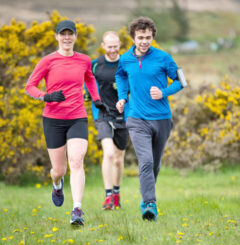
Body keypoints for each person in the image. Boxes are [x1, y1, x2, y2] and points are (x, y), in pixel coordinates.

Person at [25, 20, 108, 225]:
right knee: (58, 170)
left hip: (77, 117)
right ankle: (56, 184)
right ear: (57, 37)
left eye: (71, 34)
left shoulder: (84, 60)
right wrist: (47, 97)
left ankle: (77, 209)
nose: (67, 37)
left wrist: (96, 99)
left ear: (76, 37)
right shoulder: (47, 61)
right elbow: (30, 86)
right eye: (63, 34)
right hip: (53, 120)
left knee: (77, 161)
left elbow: (89, 79)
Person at [115, 17, 185, 221]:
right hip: (136, 118)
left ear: (153, 37)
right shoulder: (125, 59)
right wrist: (122, 96)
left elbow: (182, 81)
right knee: (145, 161)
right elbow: (120, 76)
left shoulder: (163, 57)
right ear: (133, 38)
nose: (144, 41)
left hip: (162, 118)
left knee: (154, 164)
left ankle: (145, 197)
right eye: (140, 37)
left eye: (148, 37)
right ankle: (150, 204)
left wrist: (164, 92)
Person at [84, 31, 129, 210]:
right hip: (102, 114)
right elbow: (87, 82)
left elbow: (134, 85)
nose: (112, 49)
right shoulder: (95, 65)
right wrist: (88, 94)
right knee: (109, 154)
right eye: (109, 46)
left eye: (115, 46)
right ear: (103, 45)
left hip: (124, 115)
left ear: (119, 45)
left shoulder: (126, 64)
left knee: (118, 160)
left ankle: (117, 193)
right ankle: (108, 196)